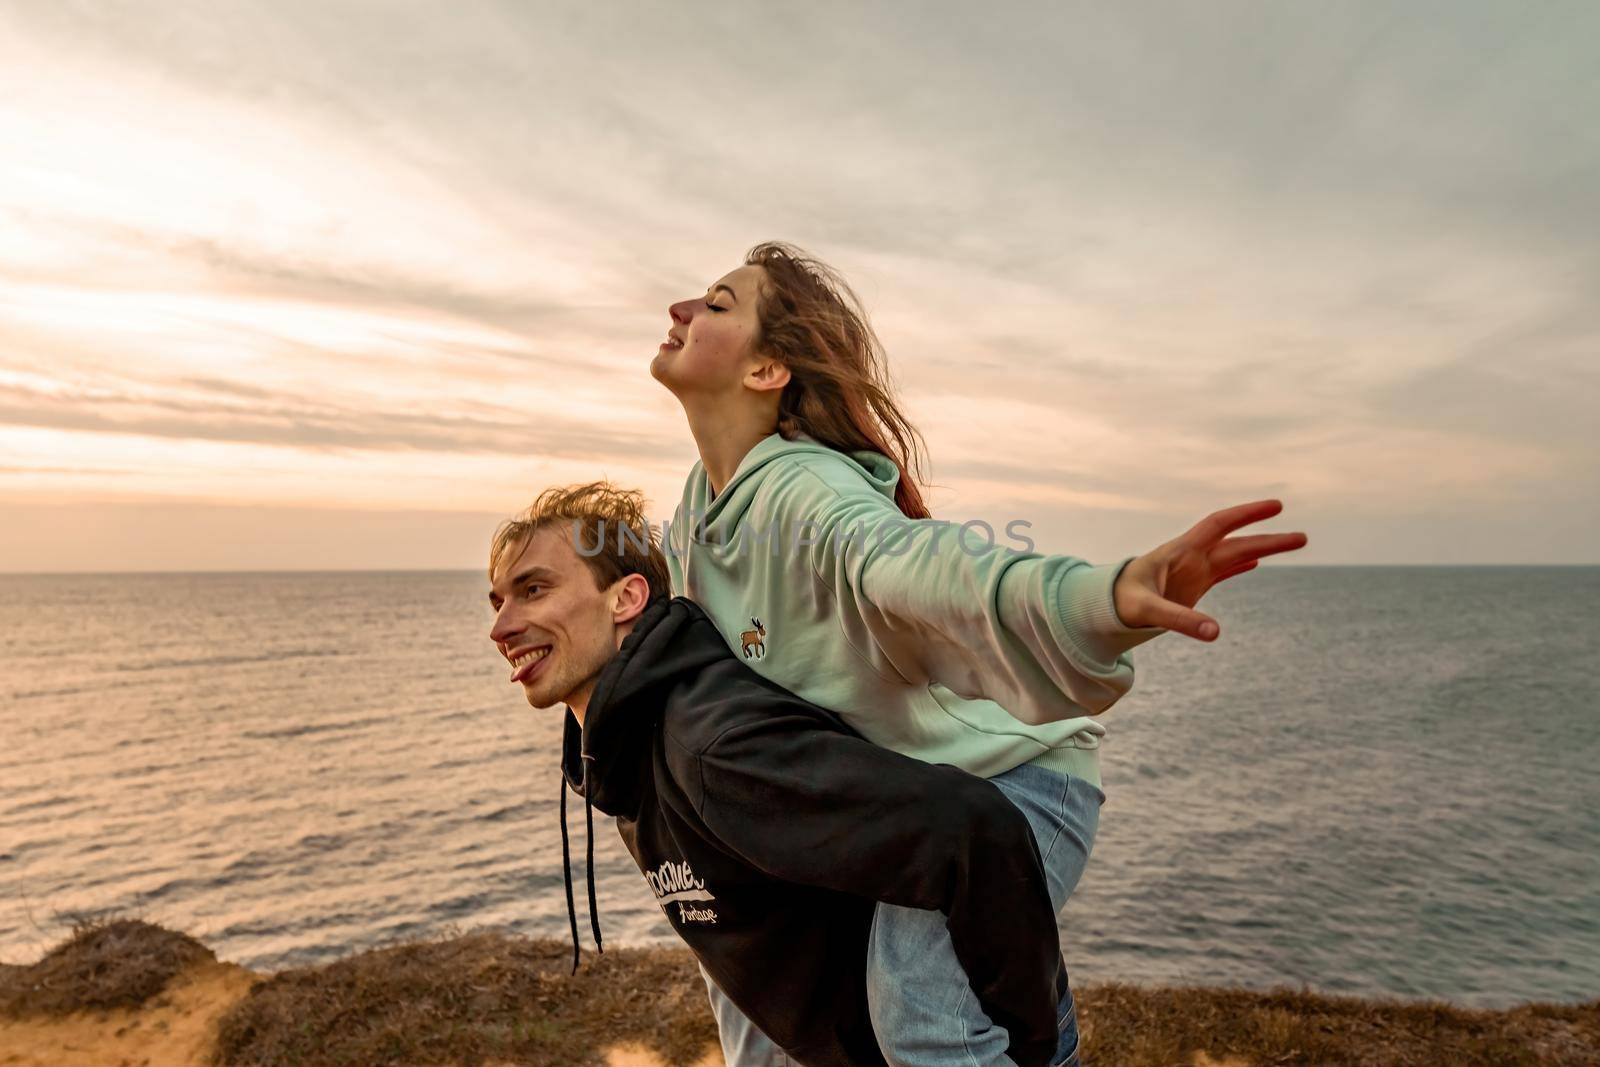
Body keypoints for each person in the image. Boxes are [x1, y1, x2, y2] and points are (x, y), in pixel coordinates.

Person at [651, 241, 1310, 1066]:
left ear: (767, 368)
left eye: (716, 304)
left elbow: (928, 568)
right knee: (765, 988)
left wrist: (1101, 597)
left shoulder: (805, 490)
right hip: (902, 808)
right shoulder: (694, 518)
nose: (681, 309)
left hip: (1012, 788)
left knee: (920, 1014)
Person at [487, 481, 1081, 1067]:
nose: (501, 628)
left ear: (626, 598)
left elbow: (972, 828)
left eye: (533, 590)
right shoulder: (623, 752)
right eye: (498, 602)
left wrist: (1033, 1046)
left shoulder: (714, 747)